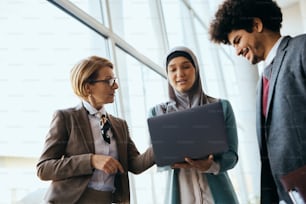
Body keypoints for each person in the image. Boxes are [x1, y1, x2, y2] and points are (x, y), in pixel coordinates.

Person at [209, 0, 306, 203]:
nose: (236, 51)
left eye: (237, 40)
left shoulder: (301, 49)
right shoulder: (261, 85)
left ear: (256, 25)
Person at [36, 56, 155, 204]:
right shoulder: (66, 118)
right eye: (108, 81)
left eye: (115, 80)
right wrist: (91, 160)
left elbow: (136, 165)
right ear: (88, 87)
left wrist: (161, 144)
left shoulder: (120, 125)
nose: (116, 86)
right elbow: (44, 169)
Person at [148, 46, 239, 204]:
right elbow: (157, 159)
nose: (180, 74)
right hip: (181, 196)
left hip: (218, 197)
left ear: (196, 69)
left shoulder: (221, 107)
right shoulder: (158, 113)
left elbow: (232, 156)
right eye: (173, 69)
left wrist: (210, 166)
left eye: (186, 67)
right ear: (167, 75)